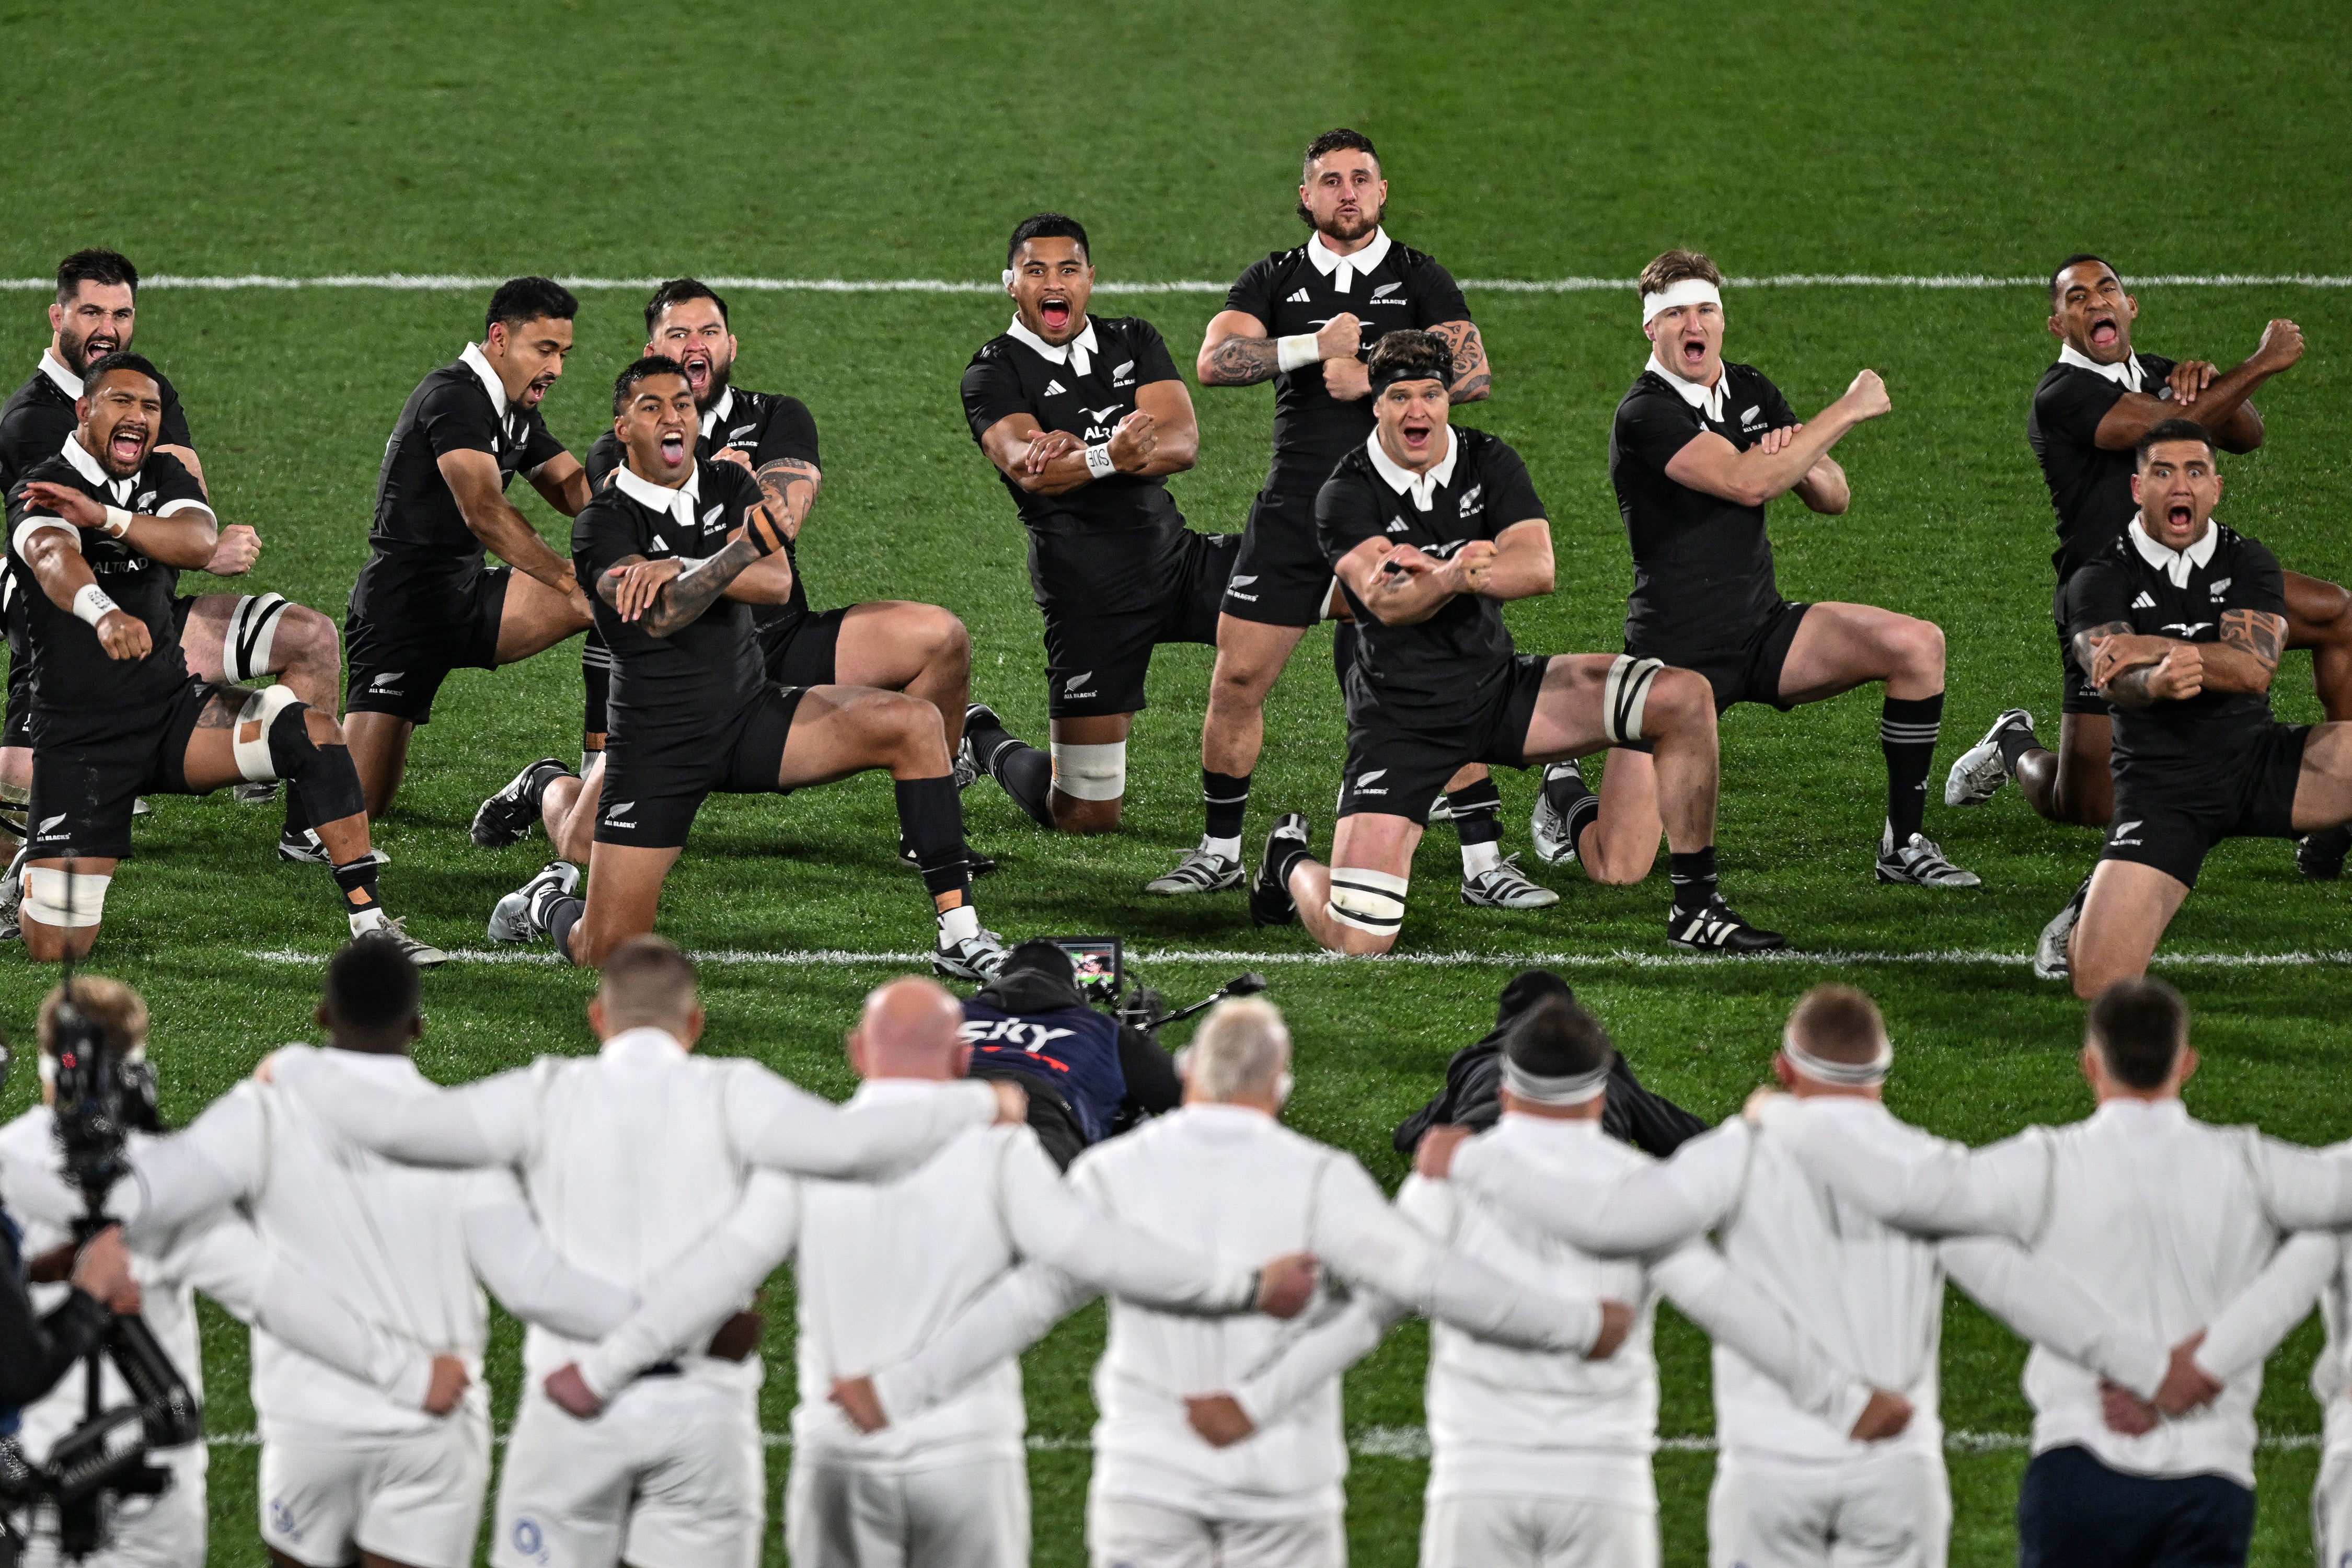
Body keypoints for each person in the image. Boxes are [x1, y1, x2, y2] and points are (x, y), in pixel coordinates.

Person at [265, 941, 1028, 1568]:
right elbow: (854, 1147)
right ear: (693, 1023)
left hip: (570, 1408)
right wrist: (983, 1100)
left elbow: (400, 1132)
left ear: (598, 1018)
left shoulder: (545, 1091)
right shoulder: (737, 1092)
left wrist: (296, 1067)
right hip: (703, 1409)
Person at [543, 974, 1316, 1568]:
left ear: (855, 1052)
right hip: (966, 1455)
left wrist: (605, 1367)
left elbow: (713, 1275)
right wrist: (1247, 1286)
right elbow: (1089, 1256)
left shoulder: (809, 1153)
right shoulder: (1002, 1150)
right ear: (960, 1058)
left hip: (839, 1451)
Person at [834, 996, 1632, 1568]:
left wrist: (905, 1389)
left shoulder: (1115, 1172)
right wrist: (1572, 1325)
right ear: (1280, 1086)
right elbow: (1423, 1279)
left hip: (1147, 1477)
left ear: (1187, 1072)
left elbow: (1030, 1299)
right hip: (1283, 1492)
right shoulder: (1321, 1177)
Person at [1419, 983, 2184, 1568]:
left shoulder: (1737, 1155)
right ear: (1883, 1074)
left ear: (1783, 1068)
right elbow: (2015, 1285)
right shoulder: (1925, 1167)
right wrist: (2143, 1367)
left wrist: (1472, 1161)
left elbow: (1616, 1226)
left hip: (1769, 1470)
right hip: (1897, 1469)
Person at [15, 939, 647, 1568]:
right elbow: (534, 1284)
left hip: (310, 1426)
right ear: (418, 1025)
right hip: (433, 1429)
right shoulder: (459, 1131)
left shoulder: (260, 1116)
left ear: (323, 1015)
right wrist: (666, 1317)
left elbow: (140, 1201)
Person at [1748, 977, 2352, 1568]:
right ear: (2186, 1063)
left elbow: (1910, 1192)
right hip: (2210, 1475)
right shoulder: (2250, 1165)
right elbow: (2332, 1215)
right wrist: (2201, 1367)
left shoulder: (2047, 1164)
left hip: (2078, 1466)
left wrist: (1782, 1117)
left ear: (2090, 1064)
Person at [1250, 329, 1783, 954]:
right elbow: (1388, 602)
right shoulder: (1346, 491)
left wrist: (1451, 573)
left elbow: (1538, 567)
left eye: (1430, 394)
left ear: (1449, 399)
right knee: (1359, 937)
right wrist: (1456, 573)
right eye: (1399, 397)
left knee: (1685, 696)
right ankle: (1289, 861)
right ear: (1375, 403)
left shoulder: (1488, 460)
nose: (1417, 411)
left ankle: (1696, 907)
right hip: (1403, 725)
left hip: (1498, 691)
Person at [483, 357, 1005, 976]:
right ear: (623, 429)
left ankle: (960, 935)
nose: (673, 416)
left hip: (749, 715)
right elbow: (660, 616)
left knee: (916, 726)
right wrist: (725, 556)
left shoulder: (728, 484)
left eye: (682, 404)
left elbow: (775, 580)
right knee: (609, 953)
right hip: (657, 749)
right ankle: (547, 906)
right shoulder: (603, 522)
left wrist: (680, 566)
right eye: (652, 407)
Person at [1160, 126, 1542, 909]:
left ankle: (1483, 863)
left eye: (1361, 179)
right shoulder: (1276, 277)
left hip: (1402, 514)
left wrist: (1369, 375)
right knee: (1236, 676)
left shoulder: (1416, 276)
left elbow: (1470, 375)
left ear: (1382, 193)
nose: (1347, 193)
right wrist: (1306, 349)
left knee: (1437, 677)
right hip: (1297, 514)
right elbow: (1213, 361)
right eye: (1330, 180)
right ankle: (1221, 851)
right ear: (1306, 197)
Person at [0, 971, 482, 1568]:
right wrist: (407, 1375)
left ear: (50, 1060)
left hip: (24, 1471)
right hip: (156, 1473)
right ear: (136, 1058)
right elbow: (272, 1292)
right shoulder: (166, 1181)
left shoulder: (10, 1165)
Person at [1525, 248, 1970, 893]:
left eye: (1705, 309)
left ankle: (1903, 844)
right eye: (1674, 314)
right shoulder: (1644, 413)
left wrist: (1797, 454)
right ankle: (1564, 784)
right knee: (1618, 869)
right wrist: (1844, 411)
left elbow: (1832, 497)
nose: (1692, 324)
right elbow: (1745, 484)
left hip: (1762, 632)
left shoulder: (1751, 389)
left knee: (1917, 645)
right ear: (1650, 329)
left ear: (1722, 321)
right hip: (1672, 659)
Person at [1, 352, 437, 964]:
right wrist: (102, 611)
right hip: (81, 741)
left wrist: (105, 517)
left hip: (171, 713)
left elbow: (196, 542)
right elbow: (52, 557)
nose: (139, 417)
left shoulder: (162, 477)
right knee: (59, 947)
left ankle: (372, 924)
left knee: (313, 732)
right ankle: (24, 876)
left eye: (150, 407)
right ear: (83, 410)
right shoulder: (42, 485)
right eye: (121, 402)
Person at [1942, 255, 2352, 877]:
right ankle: (2012, 741)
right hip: (2114, 602)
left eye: (2106, 289)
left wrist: (2210, 379)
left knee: (2340, 615)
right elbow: (2164, 429)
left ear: (2131, 307)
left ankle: (2339, 816)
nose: (2094, 302)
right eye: (2075, 298)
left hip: (2208, 580)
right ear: (2058, 325)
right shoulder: (2062, 394)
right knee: (2081, 804)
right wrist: (2260, 362)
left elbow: (2246, 434)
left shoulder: (2160, 374)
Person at [0, 249, 346, 860]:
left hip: (154, 612)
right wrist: (184, 544)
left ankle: (306, 826)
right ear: (57, 317)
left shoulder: (141, 388)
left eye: (122, 313)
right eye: (91, 312)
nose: (108, 328)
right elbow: (70, 542)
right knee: (25, 825)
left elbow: (187, 492)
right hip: (66, 639)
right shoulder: (31, 421)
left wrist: (190, 539)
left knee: (312, 637)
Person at [2033, 420, 2352, 993]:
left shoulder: (2248, 560)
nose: (2180, 486)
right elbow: (2109, 674)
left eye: (2195, 471)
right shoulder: (2099, 577)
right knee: (2096, 981)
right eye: (2163, 472)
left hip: (2261, 763)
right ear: (2138, 488)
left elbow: (2254, 666)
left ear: (2215, 488)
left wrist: (2159, 648)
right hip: (2162, 792)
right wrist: (2150, 685)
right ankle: (2095, 898)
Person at [955, 212, 1231, 837]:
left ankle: (1408, 767)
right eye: (1035, 271)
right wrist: (1113, 454)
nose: (1054, 282)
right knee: (1083, 816)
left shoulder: (1133, 339)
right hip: (1089, 595)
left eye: (1069, 269)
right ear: (1011, 284)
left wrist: (1086, 454)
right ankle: (984, 738)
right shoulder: (991, 372)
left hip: (1178, 562)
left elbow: (1182, 439)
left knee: (1349, 591)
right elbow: (1030, 467)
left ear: (1089, 279)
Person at [340, 277, 595, 820]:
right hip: (402, 612)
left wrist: (645, 508)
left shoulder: (512, 404)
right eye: (544, 350)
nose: (556, 368)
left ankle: (596, 780)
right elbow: (483, 510)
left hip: (467, 598)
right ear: (499, 338)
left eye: (563, 353)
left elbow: (570, 485)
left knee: (615, 597)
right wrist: (565, 581)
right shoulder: (454, 397)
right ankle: (277, 744)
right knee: (355, 810)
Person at [1391, 967, 1707, 1160]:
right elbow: (1684, 1138)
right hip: (1589, 1165)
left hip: (1484, 1148)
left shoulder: (1478, 1062)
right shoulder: (1597, 1066)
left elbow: (1408, 1135)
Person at [955, 938, 1183, 1168]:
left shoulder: (954, 1014)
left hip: (955, 1098)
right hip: (1043, 1122)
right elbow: (1191, 1096)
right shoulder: (1105, 1031)